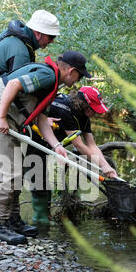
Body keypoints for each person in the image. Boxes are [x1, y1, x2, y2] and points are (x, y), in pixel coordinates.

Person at [0, 50, 91, 245]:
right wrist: (2, 117)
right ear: (71, 71)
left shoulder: (52, 83)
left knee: (17, 170)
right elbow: (13, 84)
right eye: (80, 75)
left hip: (9, 117)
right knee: (8, 171)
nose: (78, 80)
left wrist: (56, 146)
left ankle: (12, 220)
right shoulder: (47, 76)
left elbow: (41, 118)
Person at [0, 10, 60, 219]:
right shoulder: (19, 49)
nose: (52, 41)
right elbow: (16, 88)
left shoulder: (18, 40)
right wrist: (36, 116)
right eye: (51, 37)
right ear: (38, 33)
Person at [28, 86, 118, 224]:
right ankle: (39, 220)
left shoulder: (84, 116)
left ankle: (44, 217)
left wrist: (106, 167)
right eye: (93, 109)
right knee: (35, 178)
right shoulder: (65, 110)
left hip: (48, 144)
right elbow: (79, 145)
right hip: (32, 140)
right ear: (84, 105)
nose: (96, 113)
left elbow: (92, 145)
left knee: (43, 180)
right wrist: (102, 166)